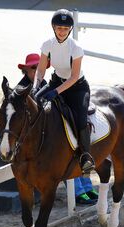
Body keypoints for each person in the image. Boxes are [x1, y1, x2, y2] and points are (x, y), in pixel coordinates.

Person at [32, 9, 95, 175]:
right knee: (33, 103)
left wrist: (56, 92)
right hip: (55, 82)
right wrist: (36, 86)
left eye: (66, 29)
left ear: (70, 30)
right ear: (53, 27)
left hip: (77, 88)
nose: (62, 31)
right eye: (59, 28)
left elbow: (74, 77)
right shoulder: (47, 44)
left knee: (81, 119)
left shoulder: (76, 48)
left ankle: (85, 157)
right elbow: (40, 69)